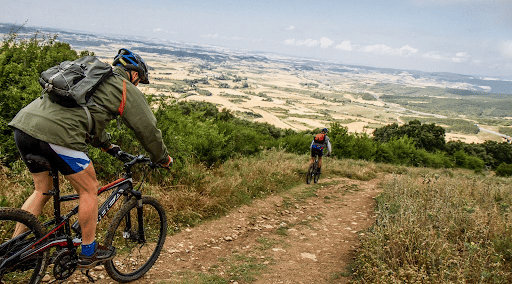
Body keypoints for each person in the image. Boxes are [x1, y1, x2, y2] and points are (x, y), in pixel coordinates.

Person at [8, 48, 172, 269]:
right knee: (89, 189)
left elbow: (87, 116)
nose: (138, 85)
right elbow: (147, 129)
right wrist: (162, 158)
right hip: (57, 135)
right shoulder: (124, 87)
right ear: (134, 74)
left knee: (42, 190)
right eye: (140, 81)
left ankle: (13, 251)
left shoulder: (90, 76)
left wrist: (106, 145)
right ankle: (89, 251)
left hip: (24, 126)